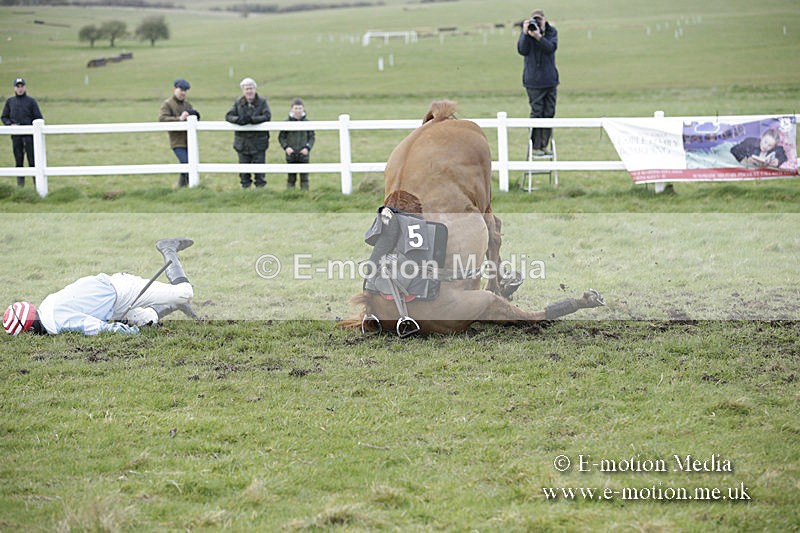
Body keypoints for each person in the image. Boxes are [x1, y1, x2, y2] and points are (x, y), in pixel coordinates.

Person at [3, 238, 199, 336]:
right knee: (147, 319)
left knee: (184, 293)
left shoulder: (58, 321)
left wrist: (128, 332)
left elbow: (95, 327)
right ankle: (172, 303)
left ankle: (168, 248)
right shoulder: (46, 306)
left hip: (121, 290)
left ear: (31, 331)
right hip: (112, 302)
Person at [517, 9, 559, 155]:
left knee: (549, 112)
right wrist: (525, 33)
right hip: (533, 81)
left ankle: (543, 145)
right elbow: (522, 50)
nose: (538, 22)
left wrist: (539, 37)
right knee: (537, 112)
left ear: (545, 20)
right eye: (535, 20)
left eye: (540, 19)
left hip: (550, 80)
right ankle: (535, 146)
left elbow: (550, 48)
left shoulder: (551, 32)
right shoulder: (527, 33)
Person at [225, 77, 271, 188]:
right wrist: (238, 120)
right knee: (244, 170)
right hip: (242, 143)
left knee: (259, 170)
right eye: (246, 89)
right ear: (243, 90)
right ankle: (245, 192)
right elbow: (228, 116)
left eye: (251, 88)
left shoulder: (262, 102)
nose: (249, 91)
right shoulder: (238, 102)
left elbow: (267, 116)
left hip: (258, 142)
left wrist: (252, 120)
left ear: (255, 89)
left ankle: (260, 191)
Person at [1, 78, 44, 187]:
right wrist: (10, 124)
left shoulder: (31, 101)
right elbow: (4, 117)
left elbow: (38, 118)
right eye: (17, 86)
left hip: (30, 137)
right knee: (19, 161)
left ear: (25, 87)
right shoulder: (10, 102)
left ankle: (37, 186)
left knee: (33, 162)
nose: (20, 89)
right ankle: (20, 187)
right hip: (16, 137)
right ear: (14, 88)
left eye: (21, 86)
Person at [159, 79, 200, 188]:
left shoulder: (187, 104)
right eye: (181, 90)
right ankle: (190, 187)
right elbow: (162, 119)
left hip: (189, 141)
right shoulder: (167, 104)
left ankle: (180, 188)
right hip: (177, 142)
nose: (183, 93)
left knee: (187, 165)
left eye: (185, 90)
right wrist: (179, 119)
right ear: (174, 89)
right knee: (186, 164)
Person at [278, 98, 315, 190]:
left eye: (300, 108)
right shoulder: (286, 123)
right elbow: (281, 137)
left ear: (303, 109)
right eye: (296, 108)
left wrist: (307, 148)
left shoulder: (307, 123)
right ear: (291, 109)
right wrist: (286, 148)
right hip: (291, 153)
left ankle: (304, 194)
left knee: (304, 177)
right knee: (291, 177)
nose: (298, 110)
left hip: (304, 153)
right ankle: (290, 194)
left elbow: (312, 137)